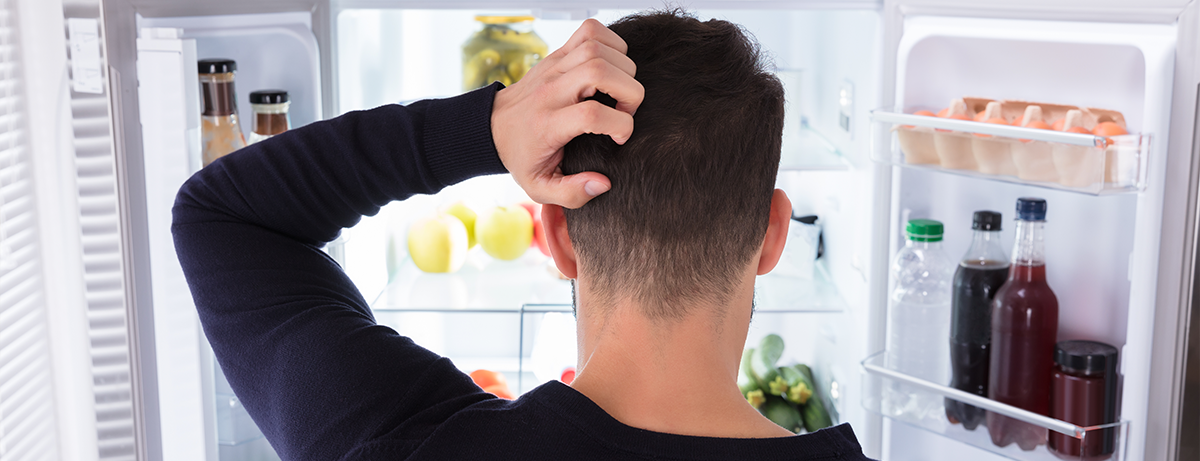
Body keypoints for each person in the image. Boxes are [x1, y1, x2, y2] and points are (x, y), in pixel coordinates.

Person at [173, 10, 872, 461]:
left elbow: (225, 215)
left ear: (555, 234)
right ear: (774, 234)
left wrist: (490, 126)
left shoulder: (412, 445)